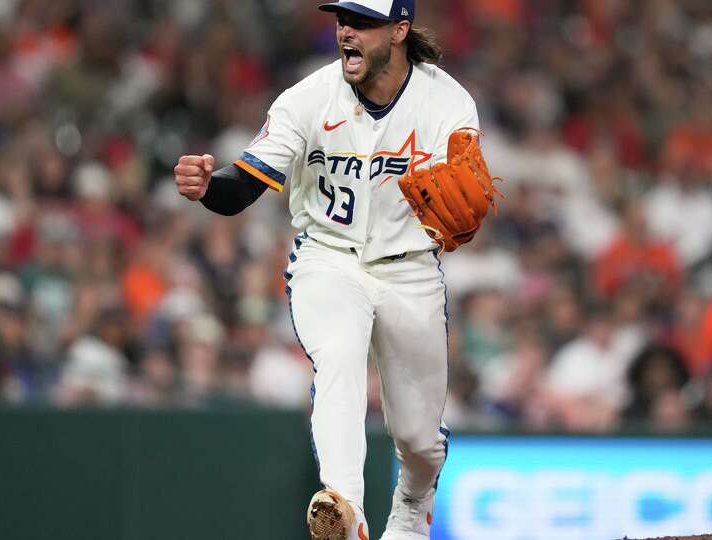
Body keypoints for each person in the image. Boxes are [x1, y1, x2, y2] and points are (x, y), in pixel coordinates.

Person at [174, 1, 481, 538]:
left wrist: (464, 221)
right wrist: (208, 187)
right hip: (329, 256)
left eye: (362, 22)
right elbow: (243, 186)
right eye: (342, 20)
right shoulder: (309, 97)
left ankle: (412, 507)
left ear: (400, 30)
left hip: (410, 269)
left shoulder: (447, 102)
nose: (346, 32)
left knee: (418, 438)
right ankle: (349, 512)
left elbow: (465, 204)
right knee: (337, 358)